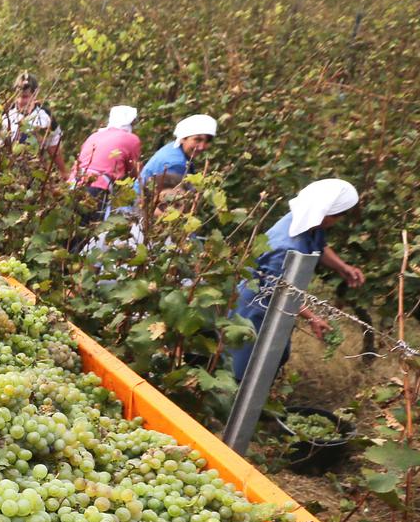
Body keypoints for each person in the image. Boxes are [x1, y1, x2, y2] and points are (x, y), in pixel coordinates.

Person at [229, 179, 366, 384]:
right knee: (247, 367)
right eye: (340, 216)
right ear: (327, 216)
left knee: (272, 359)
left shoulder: (307, 220)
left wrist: (342, 267)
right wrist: (312, 318)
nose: (339, 221)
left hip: (277, 309)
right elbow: (279, 292)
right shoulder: (285, 246)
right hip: (256, 310)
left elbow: (319, 245)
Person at [68, 105, 141, 220]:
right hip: (97, 186)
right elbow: (134, 173)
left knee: (69, 223)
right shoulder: (131, 139)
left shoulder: (94, 136)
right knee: (92, 227)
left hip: (73, 183)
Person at [0, 71, 66, 181]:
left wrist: (63, 171)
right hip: (8, 170)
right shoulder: (5, 114)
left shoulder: (45, 116)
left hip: (34, 169)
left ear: (35, 93)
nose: (23, 99)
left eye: (26, 96)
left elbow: (53, 146)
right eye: (20, 93)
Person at [138, 114, 217, 206]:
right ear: (183, 138)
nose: (202, 147)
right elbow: (170, 204)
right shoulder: (176, 164)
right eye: (197, 140)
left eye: (207, 141)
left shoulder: (173, 148)